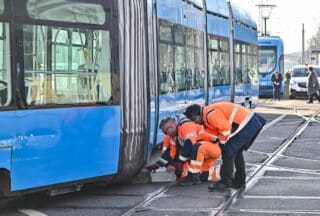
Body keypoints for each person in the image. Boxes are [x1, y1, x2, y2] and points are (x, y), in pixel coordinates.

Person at [184, 102, 266, 191]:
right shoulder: (207, 116)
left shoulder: (209, 114)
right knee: (236, 152)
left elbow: (225, 128)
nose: (195, 123)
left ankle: (225, 183)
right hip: (250, 122)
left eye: (193, 120)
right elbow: (212, 134)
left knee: (228, 151)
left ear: (196, 116)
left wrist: (222, 143)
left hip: (247, 123)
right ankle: (239, 181)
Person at [158, 114, 222, 186]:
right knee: (203, 176)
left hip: (212, 148)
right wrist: (161, 163)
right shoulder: (174, 136)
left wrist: (180, 162)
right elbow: (171, 153)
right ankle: (219, 171)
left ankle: (193, 177)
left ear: (171, 127)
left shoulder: (186, 126)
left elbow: (190, 145)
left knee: (196, 147)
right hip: (202, 154)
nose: (166, 135)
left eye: (165, 132)